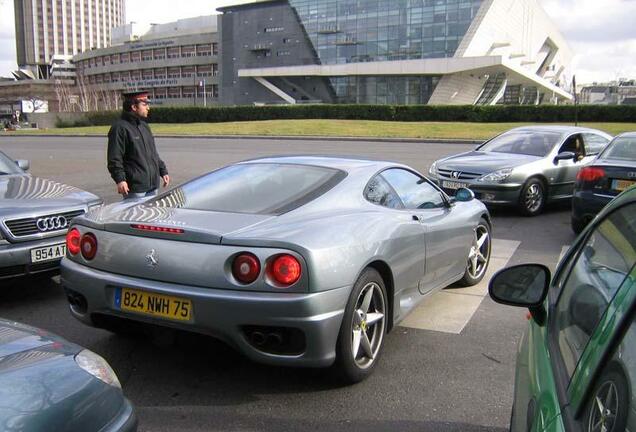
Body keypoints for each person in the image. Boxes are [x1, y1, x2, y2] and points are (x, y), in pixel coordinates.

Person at [107, 91, 169, 200]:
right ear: (134, 107)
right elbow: (114, 158)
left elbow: (153, 153)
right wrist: (120, 180)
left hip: (152, 186)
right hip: (135, 188)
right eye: (145, 105)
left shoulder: (144, 127)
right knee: (135, 216)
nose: (148, 108)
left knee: (151, 216)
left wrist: (162, 171)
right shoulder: (120, 128)